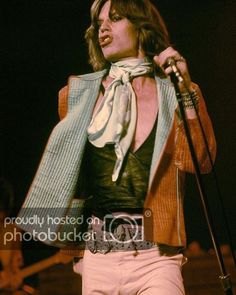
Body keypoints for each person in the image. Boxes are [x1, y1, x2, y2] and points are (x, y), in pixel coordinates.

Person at [18, 0, 217, 294]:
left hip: (156, 258)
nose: (103, 29)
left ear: (141, 25)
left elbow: (200, 161)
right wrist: (76, 250)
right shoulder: (76, 94)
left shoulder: (172, 90)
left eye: (116, 18)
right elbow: (77, 181)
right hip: (99, 257)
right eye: (99, 24)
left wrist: (186, 92)